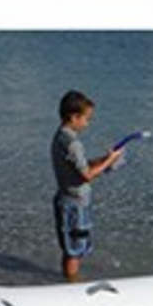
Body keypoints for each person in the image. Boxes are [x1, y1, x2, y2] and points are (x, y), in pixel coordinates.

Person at [50, 90, 122, 282]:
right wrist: (110, 161)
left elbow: (81, 166)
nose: (87, 124)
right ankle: (72, 284)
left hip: (69, 199)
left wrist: (105, 159)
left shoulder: (61, 136)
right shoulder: (73, 144)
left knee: (74, 247)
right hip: (74, 203)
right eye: (86, 119)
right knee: (74, 250)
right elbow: (87, 175)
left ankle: (69, 281)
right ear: (74, 117)